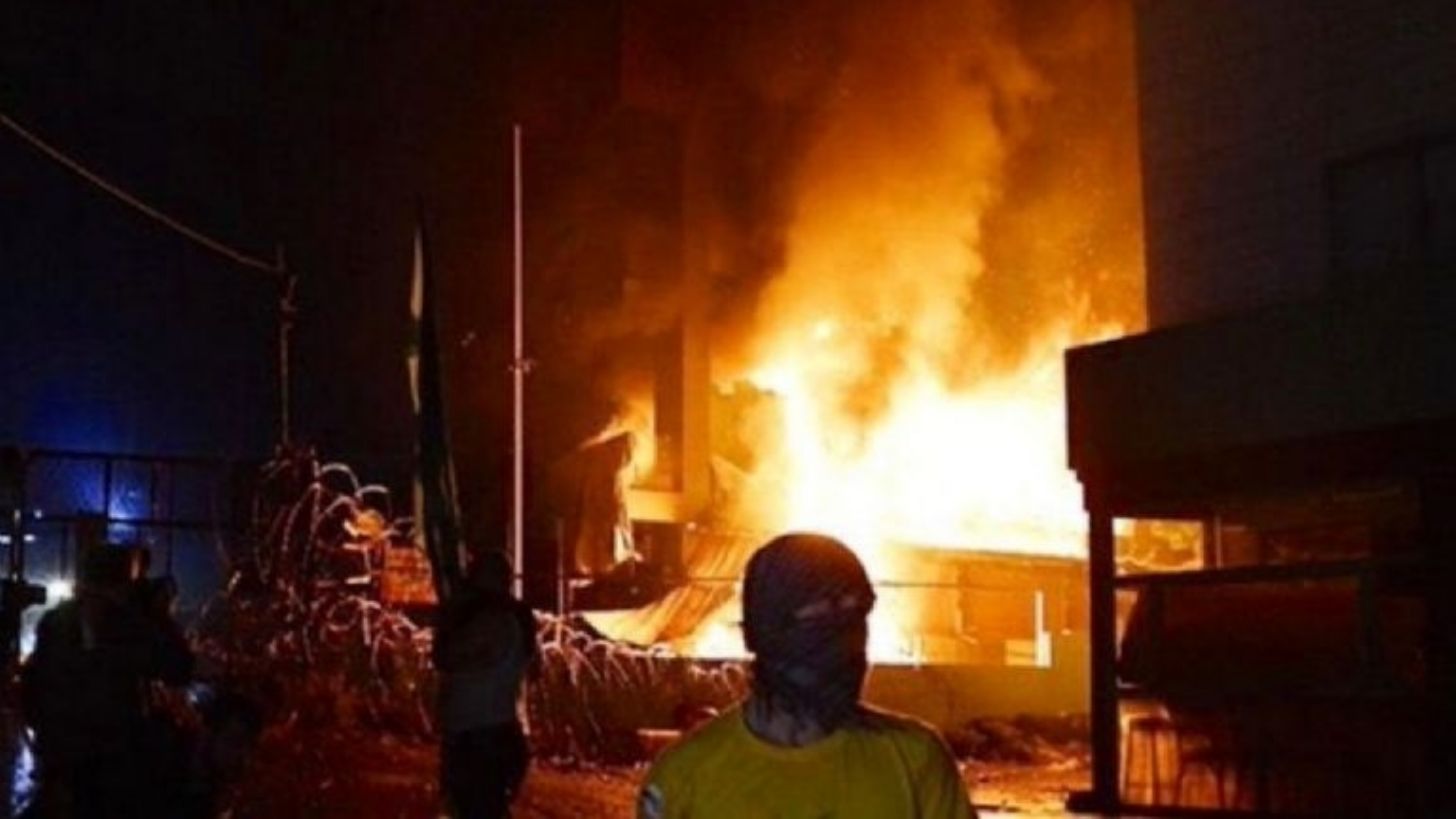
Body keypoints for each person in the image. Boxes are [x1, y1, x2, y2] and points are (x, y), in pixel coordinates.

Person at [639, 533, 977, 819]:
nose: (845, 645)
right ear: (762, 633)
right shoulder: (683, 780)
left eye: (855, 617)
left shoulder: (917, 761)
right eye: (821, 620)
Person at [21, 544, 194, 818]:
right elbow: (178, 668)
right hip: (116, 760)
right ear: (123, 587)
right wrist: (158, 616)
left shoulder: (57, 623)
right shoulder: (126, 625)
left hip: (71, 758)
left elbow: (36, 689)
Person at [434, 549, 537, 818]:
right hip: (486, 733)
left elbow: (447, 658)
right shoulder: (509, 618)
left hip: (478, 737)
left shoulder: (492, 621)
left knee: (477, 808)